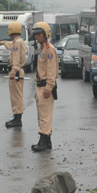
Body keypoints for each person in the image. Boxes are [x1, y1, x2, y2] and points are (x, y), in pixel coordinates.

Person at [31, 22, 58, 152]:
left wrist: (49, 87)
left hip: (46, 86)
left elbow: (52, 70)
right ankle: (47, 141)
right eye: (35, 34)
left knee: (45, 115)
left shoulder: (49, 48)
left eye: (39, 33)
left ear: (45, 34)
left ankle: (43, 140)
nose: (37, 36)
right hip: (40, 86)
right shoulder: (41, 48)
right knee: (42, 113)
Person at [0, 22, 27, 128]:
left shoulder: (17, 43)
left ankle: (18, 119)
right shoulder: (18, 41)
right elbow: (11, 46)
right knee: (15, 96)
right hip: (17, 70)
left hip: (16, 71)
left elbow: (16, 58)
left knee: (17, 96)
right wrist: (4, 43)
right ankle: (16, 117)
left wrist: (13, 72)